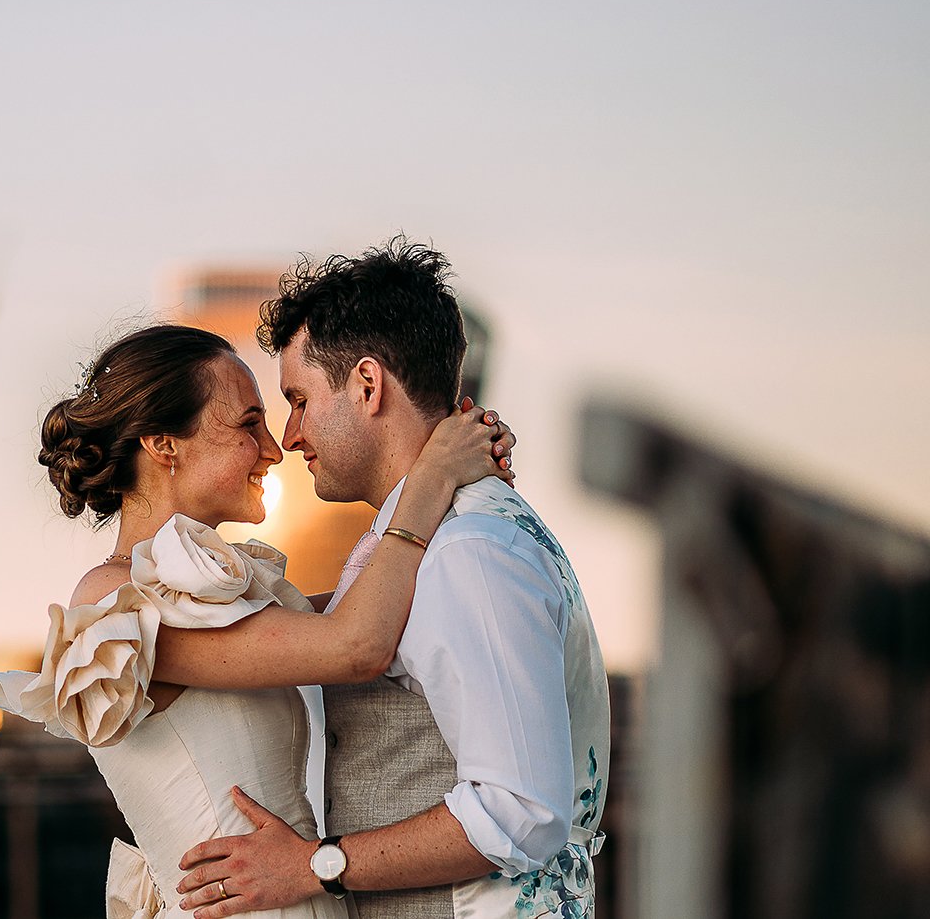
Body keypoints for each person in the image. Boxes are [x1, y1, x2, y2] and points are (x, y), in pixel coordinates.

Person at [0, 320, 515, 918]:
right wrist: (433, 475)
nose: (275, 446)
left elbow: (370, 600)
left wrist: (455, 487)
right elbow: (355, 644)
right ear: (164, 445)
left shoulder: (211, 598)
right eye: (247, 424)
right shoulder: (118, 602)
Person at [167, 241, 609, 919]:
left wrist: (315, 865)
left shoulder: (469, 552)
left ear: (368, 386)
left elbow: (520, 810)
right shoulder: (426, 541)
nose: (290, 435)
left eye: (300, 400)